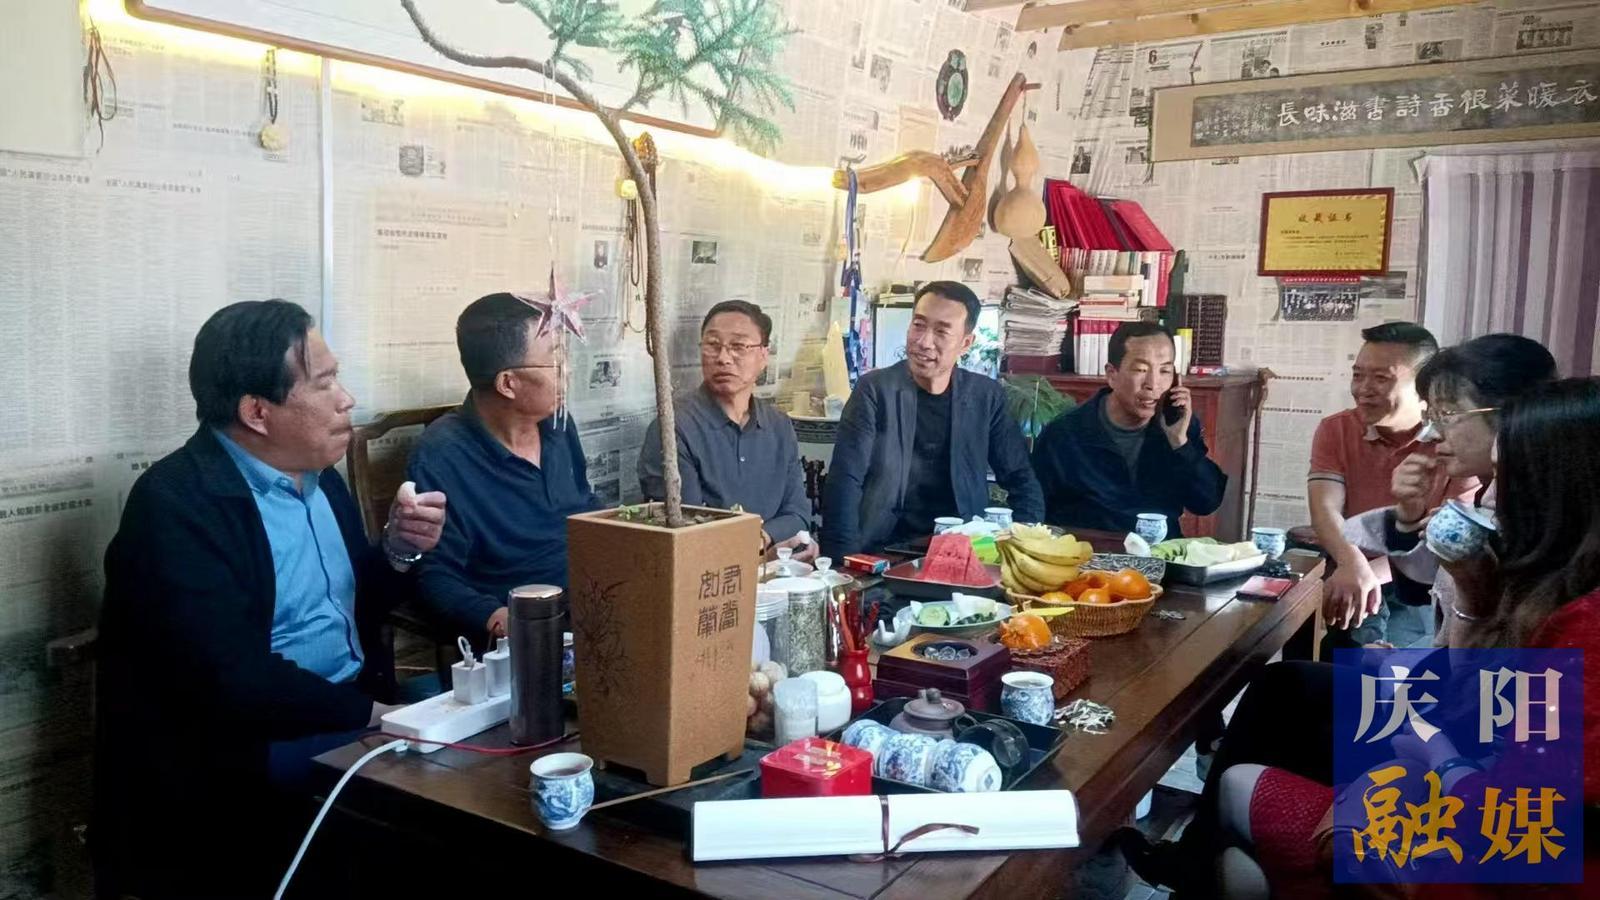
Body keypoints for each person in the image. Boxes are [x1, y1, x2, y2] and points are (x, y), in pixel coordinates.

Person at [1116, 377, 1600, 899]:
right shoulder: (1555, 575)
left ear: (1555, 490)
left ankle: (1248, 862)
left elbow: (1518, 818)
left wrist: (1437, 752)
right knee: (1285, 685)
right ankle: (1213, 860)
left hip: (1482, 851)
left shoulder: (1582, 627)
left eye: (1451, 413)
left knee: (1242, 823)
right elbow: (1488, 692)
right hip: (1466, 744)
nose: (1439, 431)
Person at [94, 300, 448, 899]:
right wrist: (374, 717)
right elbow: (230, 678)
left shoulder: (318, 477)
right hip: (243, 749)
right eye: (325, 383)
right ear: (257, 411)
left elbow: (355, 606)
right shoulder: (177, 504)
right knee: (441, 819)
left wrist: (398, 550)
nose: (347, 399)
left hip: (345, 706)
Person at [407, 292, 599, 645]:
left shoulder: (557, 425)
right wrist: (499, 619)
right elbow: (435, 576)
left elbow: (586, 507)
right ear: (508, 383)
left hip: (594, 599)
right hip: (527, 625)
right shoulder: (443, 453)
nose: (568, 371)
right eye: (556, 361)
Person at [1342, 333, 1557, 647]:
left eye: (1446, 415)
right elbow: (1420, 592)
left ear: (1511, 415)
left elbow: (1500, 665)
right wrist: (1409, 514)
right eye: (1431, 416)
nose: (1430, 434)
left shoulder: (1537, 524)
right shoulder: (1490, 499)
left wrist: (1401, 671)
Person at [822, 281, 1043, 559]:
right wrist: (843, 563)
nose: (924, 342)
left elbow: (1020, 477)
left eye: (941, 331)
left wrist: (1024, 546)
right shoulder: (876, 391)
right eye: (918, 325)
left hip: (965, 551)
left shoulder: (985, 396)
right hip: (886, 549)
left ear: (965, 343)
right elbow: (845, 480)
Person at [1309, 322, 1468, 650]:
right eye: (1358, 375)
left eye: (1381, 378)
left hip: (1419, 581)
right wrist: (1352, 563)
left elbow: (1445, 545)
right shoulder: (1336, 429)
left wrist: (1366, 573)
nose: (1363, 389)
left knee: (1391, 655)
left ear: (1424, 387)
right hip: (1350, 563)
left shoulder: (1456, 442)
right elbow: (1325, 507)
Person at [639, 300, 814, 559]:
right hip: (707, 575)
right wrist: (762, 555)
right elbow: (686, 533)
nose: (723, 358)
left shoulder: (779, 425)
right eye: (713, 345)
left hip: (779, 568)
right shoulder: (673, 429)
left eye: (738, 346)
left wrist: (763, 539)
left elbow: (798, 514)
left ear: (763, 356)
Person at [1031, 320, 1226, 537]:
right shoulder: (1065, 434)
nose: (1153, 384)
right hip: (1089, 552)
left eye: (1165, 371)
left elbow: (1206, 503)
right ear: (1112, 374)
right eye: (1141, 370)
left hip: (1160, 552)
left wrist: (1180, 443)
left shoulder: (1178, 427)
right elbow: (1034, 510)